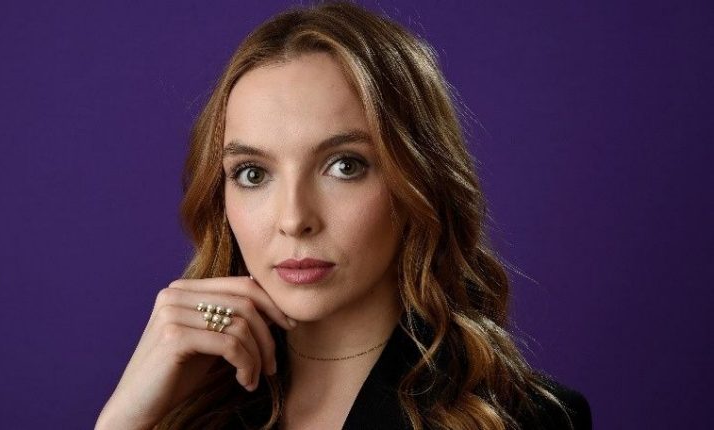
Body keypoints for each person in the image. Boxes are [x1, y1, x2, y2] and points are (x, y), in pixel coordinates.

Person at [95, 1, 592, 429]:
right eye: (252, 173)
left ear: (417, 180)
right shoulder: (182, 411)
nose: (294, 219)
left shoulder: (522, 419)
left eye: (344, 166)